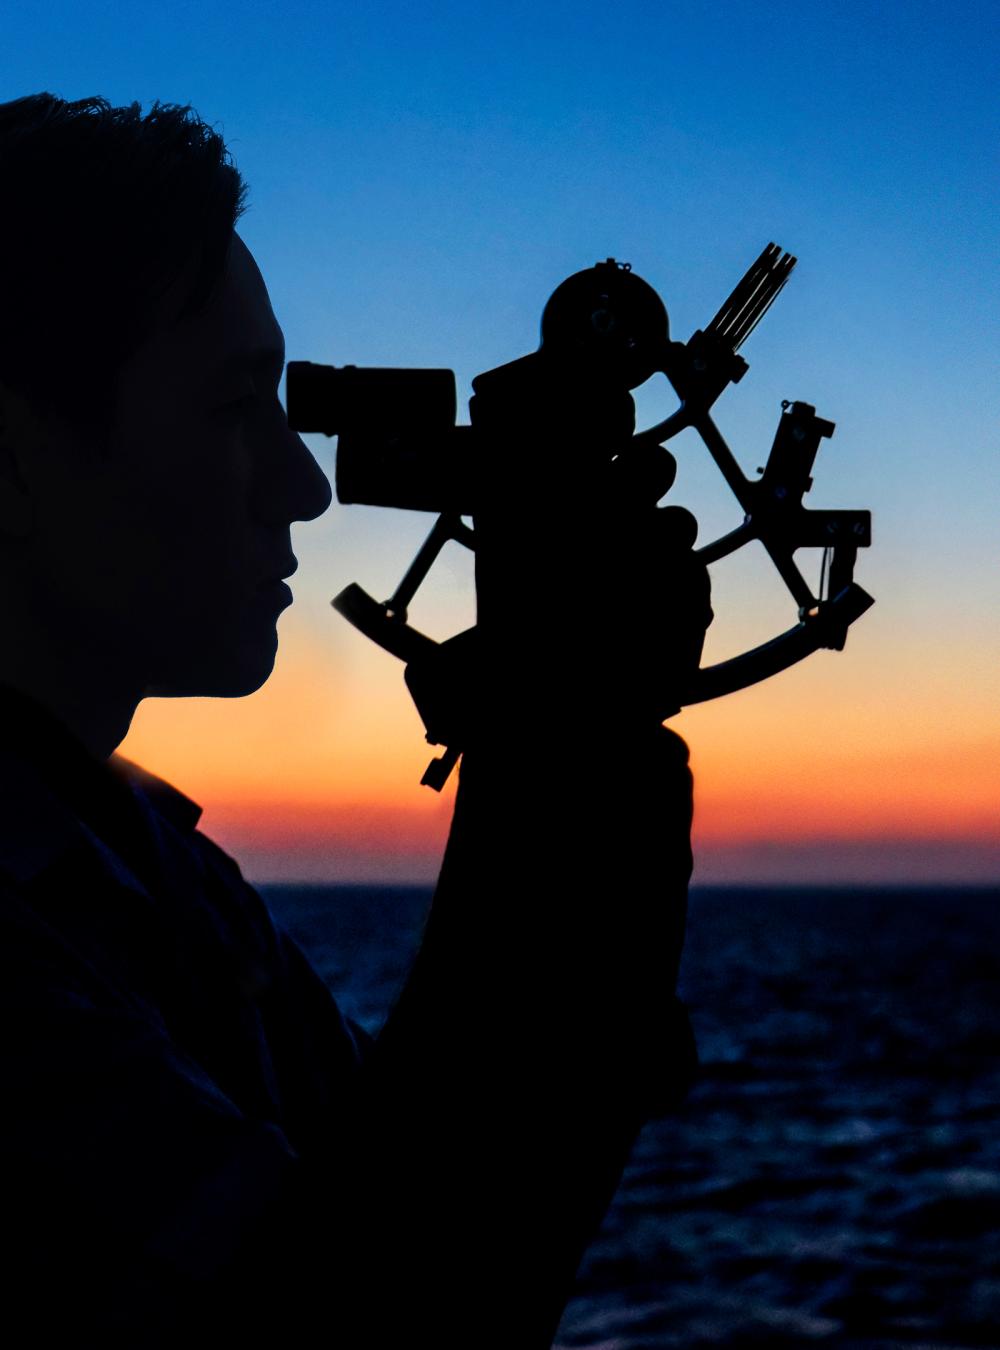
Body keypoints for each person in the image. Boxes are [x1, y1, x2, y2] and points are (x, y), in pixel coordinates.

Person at [0, 93, 710, 1347]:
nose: (307, 484)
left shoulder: (159, 874)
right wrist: (565, 755)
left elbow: (394, 1198)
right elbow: (375, 1317)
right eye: (233, 408)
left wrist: (564, 750)